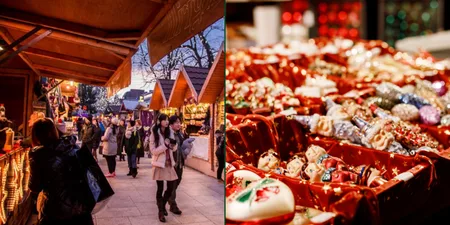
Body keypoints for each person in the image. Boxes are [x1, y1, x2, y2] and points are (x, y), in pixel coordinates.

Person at [29, 118, 94, 225]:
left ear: (36, 136)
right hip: (81, 210)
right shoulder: (74, 146)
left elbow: (35, 187)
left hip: (56, 212)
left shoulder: (39, 156)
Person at [150, 114, 178, 222]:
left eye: (167, 120)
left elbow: (174, 149)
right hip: (159, 164)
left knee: (170, 187)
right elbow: (153, 151)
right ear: (159, 121)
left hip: (169, 163)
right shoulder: (154, 132)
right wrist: (165, 146)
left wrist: (173, 145)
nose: (167, 122)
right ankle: (161, 212)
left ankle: (163, 206)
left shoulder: (169, 131)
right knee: (160, 189)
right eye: (165, 120)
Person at [168, 115, 194, 215]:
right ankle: (173, 205)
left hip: (180, 163)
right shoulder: (169, 134)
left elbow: (182, 147)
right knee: (173, 183)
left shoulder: (180, 134)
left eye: (179, 122)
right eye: (176, 122)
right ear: (171, 124)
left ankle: (169, 197)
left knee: (178, 182)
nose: (179, 124)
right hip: (172, 164)